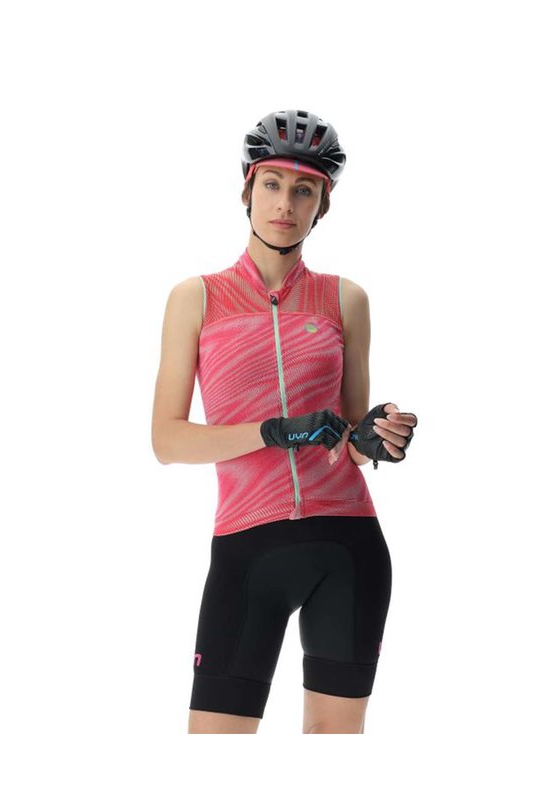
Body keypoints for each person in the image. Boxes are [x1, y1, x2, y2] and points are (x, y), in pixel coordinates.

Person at [151, 109, 418, 734]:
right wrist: (272, 431)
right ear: (247, 190)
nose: (285, 203)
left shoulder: (346, 299)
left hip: (348, 547)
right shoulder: (197, 298)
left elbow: (346, 438)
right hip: (248, 551)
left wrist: (376, 438)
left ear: (323, 204)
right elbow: (167, 439)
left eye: (304, 190)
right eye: (272, 184)